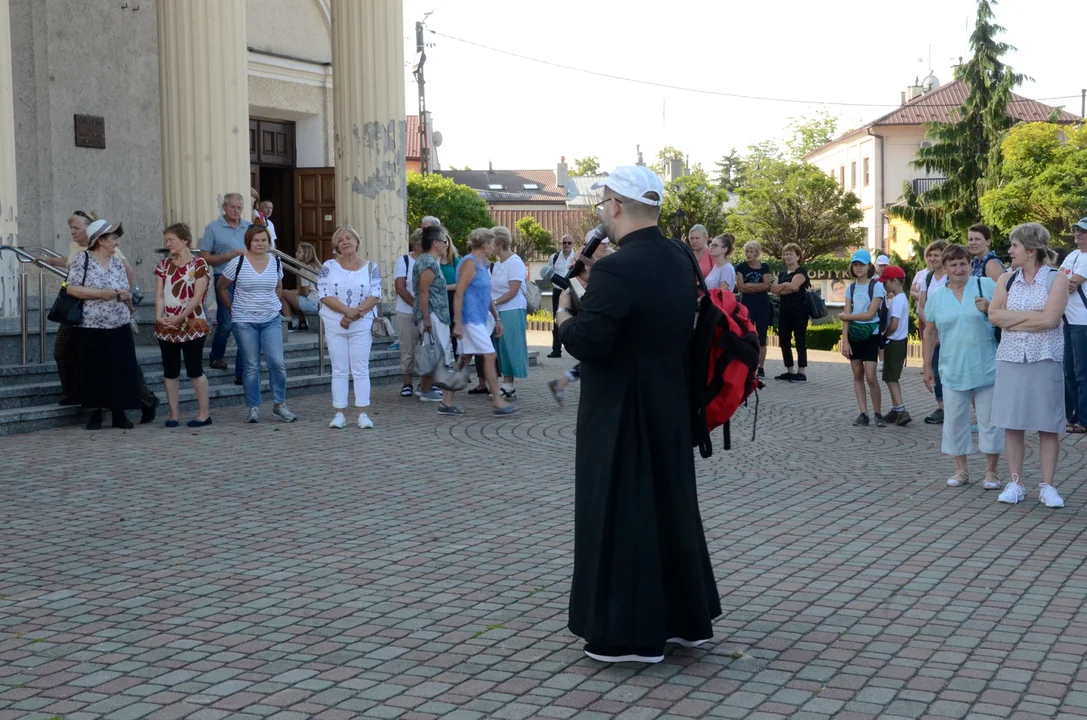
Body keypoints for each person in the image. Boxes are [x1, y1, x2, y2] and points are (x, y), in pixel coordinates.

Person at [556, 165, 720, 664]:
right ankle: (684, 623)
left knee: (622, 513)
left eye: (605, 200)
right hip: (669, 402)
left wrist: (566, 314)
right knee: (668, 509)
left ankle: (629, 636)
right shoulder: (679, 257)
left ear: (616, 207)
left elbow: (592, 342)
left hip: (621, 411)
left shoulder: (617, 267)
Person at [988, 223, 1069, 508]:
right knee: (1012, 423)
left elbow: (1050, 320)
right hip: (1010, 358)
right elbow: (994, 316)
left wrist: (1014, 317)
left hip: (1045, 357)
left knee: (1048, 424)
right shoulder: (1006, 280)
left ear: (1031, 250)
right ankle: (1016, 482)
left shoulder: (1056, 279)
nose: (1009, 251)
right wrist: (1030, 315)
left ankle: (1047, 486)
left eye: (1014, 246)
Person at [923, 244, 1002, 487]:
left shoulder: (986, 286)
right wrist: (927, 366)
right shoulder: (937, 296)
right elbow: (929, 331)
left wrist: (989, 308)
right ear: (944, 268)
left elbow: (1006, 315)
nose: (959, 268)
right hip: (951, 366)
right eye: (953, 264)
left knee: (989, 420)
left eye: (963, 263)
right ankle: (961, 470)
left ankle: (991, 472)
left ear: (970, 265)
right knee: (956, 420)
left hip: (986, 364)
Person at [62, 219, 142, 430]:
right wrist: (101, 294)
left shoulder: (117, 263)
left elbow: (126, 291)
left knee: (120, 369)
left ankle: (119, 413)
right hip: (91, 325)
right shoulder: (83, 259)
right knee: (94, 370)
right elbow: (71, 289)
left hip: (119, 323)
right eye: (113, 238)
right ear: (100, 240)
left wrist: (127, 298)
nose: (116, 243)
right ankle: (95, 413)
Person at [217, 225, 296, 424]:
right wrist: (232, 309)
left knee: (277, 363)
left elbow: (278, 286)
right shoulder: (238, 262)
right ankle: (253, 407)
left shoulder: (276, 262)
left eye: (263, 240)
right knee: (251, 365)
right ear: (249, 243)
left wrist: (273, 303)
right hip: (244, 321)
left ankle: (279, 405)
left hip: (270, 319)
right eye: (256, 240)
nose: (260, 244)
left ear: (269, 242)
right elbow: (222, 287)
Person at [317, 226, 381, 429]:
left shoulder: (371, 267)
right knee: (339, 369)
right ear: (336, 246)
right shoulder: (328, 266)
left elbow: (375, 294)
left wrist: (355, 314)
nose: (345, 242)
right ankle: (339, 413)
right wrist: (347, 312)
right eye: (341, 240)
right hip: (335, 323)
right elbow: (324, 294)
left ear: (357, 241)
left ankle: (362, 413)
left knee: (360, 368)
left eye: (349, 238)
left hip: (361, 324)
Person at [453, 227, 517, 416]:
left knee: (464, 359)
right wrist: (457, 322)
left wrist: (496, 317)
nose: (494, 247)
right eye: (492, 243)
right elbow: (459, 293)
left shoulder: (483, 264)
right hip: (469, 319)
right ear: (485, 244)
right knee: (490, 355)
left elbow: (486, 294)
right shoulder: (469, 263)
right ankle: (498, 400)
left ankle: (446, 401)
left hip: (480, 318)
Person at [154, 223, 212, 428]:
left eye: (172, 240)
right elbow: (160, 293)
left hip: (192, 322)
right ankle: (173, 414)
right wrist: (159, 316)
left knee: (195, 368)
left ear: (184, 240)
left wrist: (181, 318)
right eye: (167, 240)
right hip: (167, 323)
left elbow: (197, 296)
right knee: (170, 370)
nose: (168, 244)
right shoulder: (164, 265)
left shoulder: (199, 264)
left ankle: (204, 413)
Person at [201, 192, 252, 383]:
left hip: (247, 279)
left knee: (243, 323)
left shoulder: (249, 228)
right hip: (224, 278)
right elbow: (205, 257)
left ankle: (242, 368)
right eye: (233, 207)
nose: (236, 211)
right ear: (225, 207)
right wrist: (230, 255)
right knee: (227, 322)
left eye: (239, 207)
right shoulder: (213, 228)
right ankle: (216, 356)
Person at [414, 224, 459, 409]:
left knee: (435, 351)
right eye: (443, 241)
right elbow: (423, 292)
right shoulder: (427, 262)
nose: (446, 244)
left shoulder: (432, 261)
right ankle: (425, 389)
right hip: (432, 314)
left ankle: (425, 387)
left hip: (437, 313)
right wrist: (426, 318)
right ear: (435, 243)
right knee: (434, 352)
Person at [840, 249, 886, 426]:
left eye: (862, 264)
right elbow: (847, 314)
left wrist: (846, 317)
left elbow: (870, 314)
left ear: (869, 266)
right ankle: (863, 412)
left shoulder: (877, 286)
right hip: (854, 335)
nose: (858, 268)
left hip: (871, 334)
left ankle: (877, 412)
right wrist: (845, 340)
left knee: (871, 376)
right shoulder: (850, 288)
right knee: (857, 375)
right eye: (855, 264)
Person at [490, 226, 529, 400]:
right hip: (499, 311)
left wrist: (494, 303)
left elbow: (513, 290)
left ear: (499, 244)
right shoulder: (498, 264)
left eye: (491, 243)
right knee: (501, 348)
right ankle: (506, 384)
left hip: (513, 309)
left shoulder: (515, 261)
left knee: (511, 346)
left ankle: (509, 384)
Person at [917, 240, 949, 425]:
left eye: (936, 255)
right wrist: (931, 326)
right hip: (932, 331)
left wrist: (940, 328)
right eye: (929, 255)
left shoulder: (950, 277)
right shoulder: (927, 278)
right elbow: (922, 305)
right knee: (935, 369)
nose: (932, 258)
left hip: (948, 331)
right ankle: (941, 407)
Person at [1060, 217, 1087, 434]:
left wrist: (1063, 282)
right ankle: (1074, 414)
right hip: (1068, 321)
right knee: (1069, 370)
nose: (1078, 234)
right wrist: (1062, 282)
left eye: (1083, 231)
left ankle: (1084, 419)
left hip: (1083, 323)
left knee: (1082, 372)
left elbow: (1070, 284)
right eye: (1077, 230)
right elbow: (1057, 280)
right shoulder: (1073, 255)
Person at [770, 243, 810, 382]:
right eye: (786, 254)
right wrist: (786, 286)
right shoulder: (781, 274)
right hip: (784, 311)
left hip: (800, 311)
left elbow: (794, 286)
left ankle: (801, 372)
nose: (787, 256)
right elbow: (773, 289)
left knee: (800, 340)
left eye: (791, 254)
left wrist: (784, 287)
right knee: (784, 341)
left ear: (798, 256)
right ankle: (790, 370)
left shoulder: (801, 272)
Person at [735, 241, 773, 378]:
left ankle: (761, 368)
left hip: (762, 305)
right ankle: (746, 366)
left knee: (762, 336)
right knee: (746, 334)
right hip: (747, 305)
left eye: (751, 251)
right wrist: (757, 286)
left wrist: (750, 285)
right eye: (747, 251)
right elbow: (741, 287)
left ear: (756, 253)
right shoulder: (741, 267)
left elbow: (767, 286)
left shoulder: (764, 266)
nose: (748, 254)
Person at [394, 228, 424, 397]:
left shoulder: (432, 260)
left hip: (428, 312)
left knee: (426, 347)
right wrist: (416, 305)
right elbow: (400, 287)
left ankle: (425, 382)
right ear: (414, 243)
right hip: (407, 311)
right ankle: (407, 383)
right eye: (420, 241)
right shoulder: (404, 260)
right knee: (408, 347)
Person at [879, 265, 911, 425]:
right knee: (889, 376)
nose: (884, 285)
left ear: (895, 282)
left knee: (891, 378)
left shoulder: (898, 300)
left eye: (886, 282)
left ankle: (901, 409)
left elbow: (894, 324)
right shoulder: (899, 298)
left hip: (895, 341)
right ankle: (895, 409)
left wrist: (884, 336)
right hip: (898, 341)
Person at [280, 242, 323, 332]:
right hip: (322, 302)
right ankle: (302, 323)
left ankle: (288, 325)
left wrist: (296, 292)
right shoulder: (318, 267)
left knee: (283, 293)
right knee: (293, 294)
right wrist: (295, 292)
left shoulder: (305, 269)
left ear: (306, 254)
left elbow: (305, 292)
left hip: (313, 303)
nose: (296, 253)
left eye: (299, 252)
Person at [547, 234, 578, 358]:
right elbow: (548, 273)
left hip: (572, 290)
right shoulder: (554, 258)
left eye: (569, 243)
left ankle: (576, 348)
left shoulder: (577, 258)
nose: (566, 245)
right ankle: (556, 350)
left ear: (573, 244)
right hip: (558, 290)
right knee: (556, 319)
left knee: (576, 318)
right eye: (564, 243)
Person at [439, 231, 461, 356]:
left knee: (455, 332)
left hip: (453, 298)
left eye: (446, 241)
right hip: (439, 299)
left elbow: (460, 283)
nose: (444, 244)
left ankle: (459, 365)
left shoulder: (455, 260)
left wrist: (444, 288)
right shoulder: (434, 261)